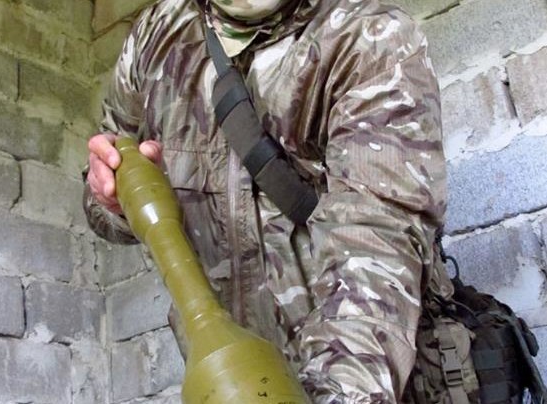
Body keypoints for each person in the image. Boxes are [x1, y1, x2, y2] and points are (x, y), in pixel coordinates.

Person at [83, 0, 449, 402]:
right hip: (223, 383)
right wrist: (112, 197)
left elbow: (376, 253)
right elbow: (103, 186)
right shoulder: (157, 35)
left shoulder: (366, 36)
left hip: (359, 382)